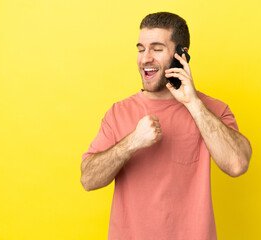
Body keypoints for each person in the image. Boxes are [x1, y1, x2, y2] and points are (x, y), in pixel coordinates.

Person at [81, 12, 252, 240]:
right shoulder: (118, 113)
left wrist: (193, 104)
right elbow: (88, 180)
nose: (145, 58)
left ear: (181, 55)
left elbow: (237, 164)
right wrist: (131, 142)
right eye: (141, 49)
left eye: (157, 49)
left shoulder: (213, 111)